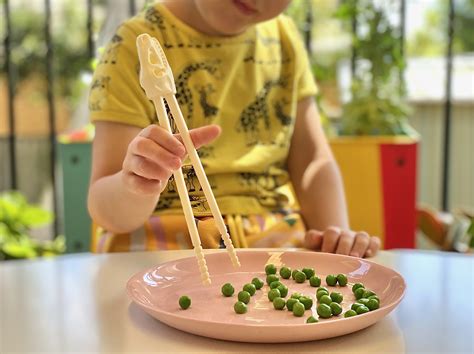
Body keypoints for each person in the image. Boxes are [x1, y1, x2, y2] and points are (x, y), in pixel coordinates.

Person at [87, 0, 380, 257]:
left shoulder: (284, 38)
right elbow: (104, 206)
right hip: (159, 236)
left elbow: (313, 162)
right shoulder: (133, 45)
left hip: (275, 236)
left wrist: (335, 234)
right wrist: (134, 184)